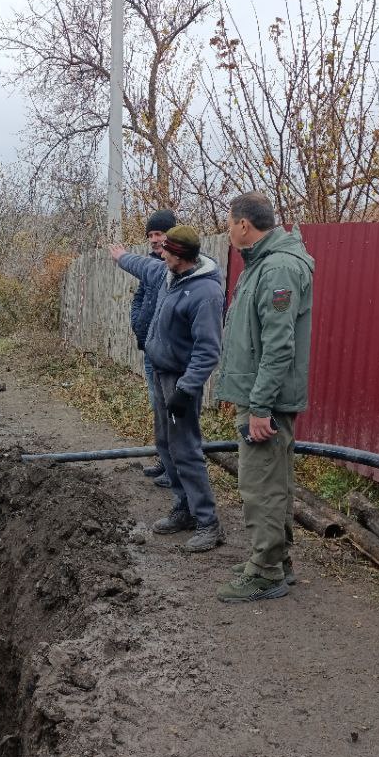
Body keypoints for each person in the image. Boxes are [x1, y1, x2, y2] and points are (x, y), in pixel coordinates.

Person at [211, 192, 314, 604]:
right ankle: (276, 561)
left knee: (261, 485)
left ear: (243, 225)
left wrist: (259, 406)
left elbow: (278, 346)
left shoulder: (277, 269)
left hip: (265, 399)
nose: (228, 228)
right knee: (274, 481)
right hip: (260, 393)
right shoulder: (263, 264)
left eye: (229, 221)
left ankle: (266, 571)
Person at [110, 224, 225, 552]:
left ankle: (208, 523)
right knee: (166, 443)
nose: (160, 255)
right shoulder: (170, 275)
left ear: (182, 256)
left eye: (167, 253)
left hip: (180, 380)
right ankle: (183, 508)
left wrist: (186, 389)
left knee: (186, 449)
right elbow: (143, 266)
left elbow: (208, 350)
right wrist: (120, 258)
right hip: (161, 372)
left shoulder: (205, 294)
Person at [129, 209, 178, 487]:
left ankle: (175, 469)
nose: (154, 239)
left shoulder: (178, 267)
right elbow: (139, 298)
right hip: (150, 349)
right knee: (158, 408)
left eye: (159, 233)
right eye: (150, 235)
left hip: (169, 355)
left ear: (171, 234)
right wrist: (137, 323)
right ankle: (165, 461)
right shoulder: (151, 266)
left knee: (171, 410)